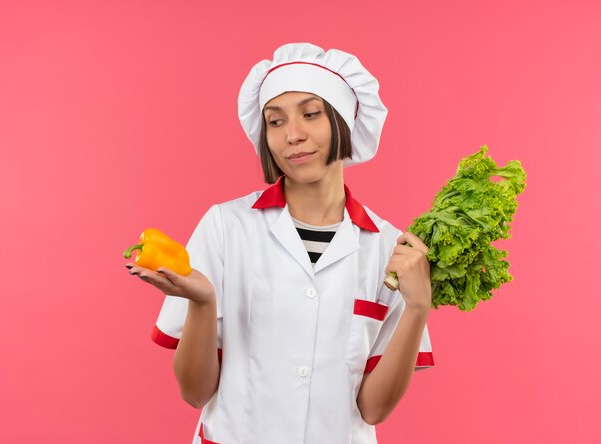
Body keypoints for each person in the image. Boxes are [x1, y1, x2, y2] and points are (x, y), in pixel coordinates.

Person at [126, 43, 435, 444]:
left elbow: (373, 409)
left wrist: (417, 306)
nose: (293, 135)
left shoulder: (391, 249)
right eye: (275, 122)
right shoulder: (226, 227)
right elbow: (194, 392)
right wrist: (203, 303)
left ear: (342, 121)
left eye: (311, 114)